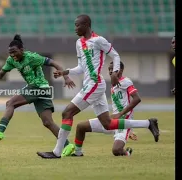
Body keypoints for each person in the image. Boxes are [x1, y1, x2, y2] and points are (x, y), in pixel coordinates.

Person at [36, 14, 159, 159]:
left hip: (94, 84)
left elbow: (115, 55)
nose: (75, 28)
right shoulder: (78, 43)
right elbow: (81, 68)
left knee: (67, 113)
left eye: (77, 25)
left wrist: (114, 72)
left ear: (86, 25)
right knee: (107, 124)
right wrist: (65, 72)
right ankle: (148, 123)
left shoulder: (98, 40)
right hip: (91, 84)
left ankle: (56, 152)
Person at [0, 34, 75, 152]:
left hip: (39, 86)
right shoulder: (11, 60)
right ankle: (68, 145)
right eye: (10, 53)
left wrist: (65, 77)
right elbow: (0, 75)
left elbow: (54, 63)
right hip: (41, 89)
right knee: (47, 122)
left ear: (22, 50)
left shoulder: (32, 57)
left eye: (14, 52)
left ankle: (0, 130)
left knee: (10, 103)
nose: (12, 55)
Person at [64, 61, 148, 157]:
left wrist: (121, 115)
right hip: (111, 121)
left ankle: (127, 153)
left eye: (113, 69)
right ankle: (78, 153)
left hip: (123, 123)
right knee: (81, 127)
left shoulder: (126, 82)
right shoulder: (113, 85)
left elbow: (137, 99)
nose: (110, 71)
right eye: (109, 69)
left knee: (116, 150)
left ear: (121, 70)